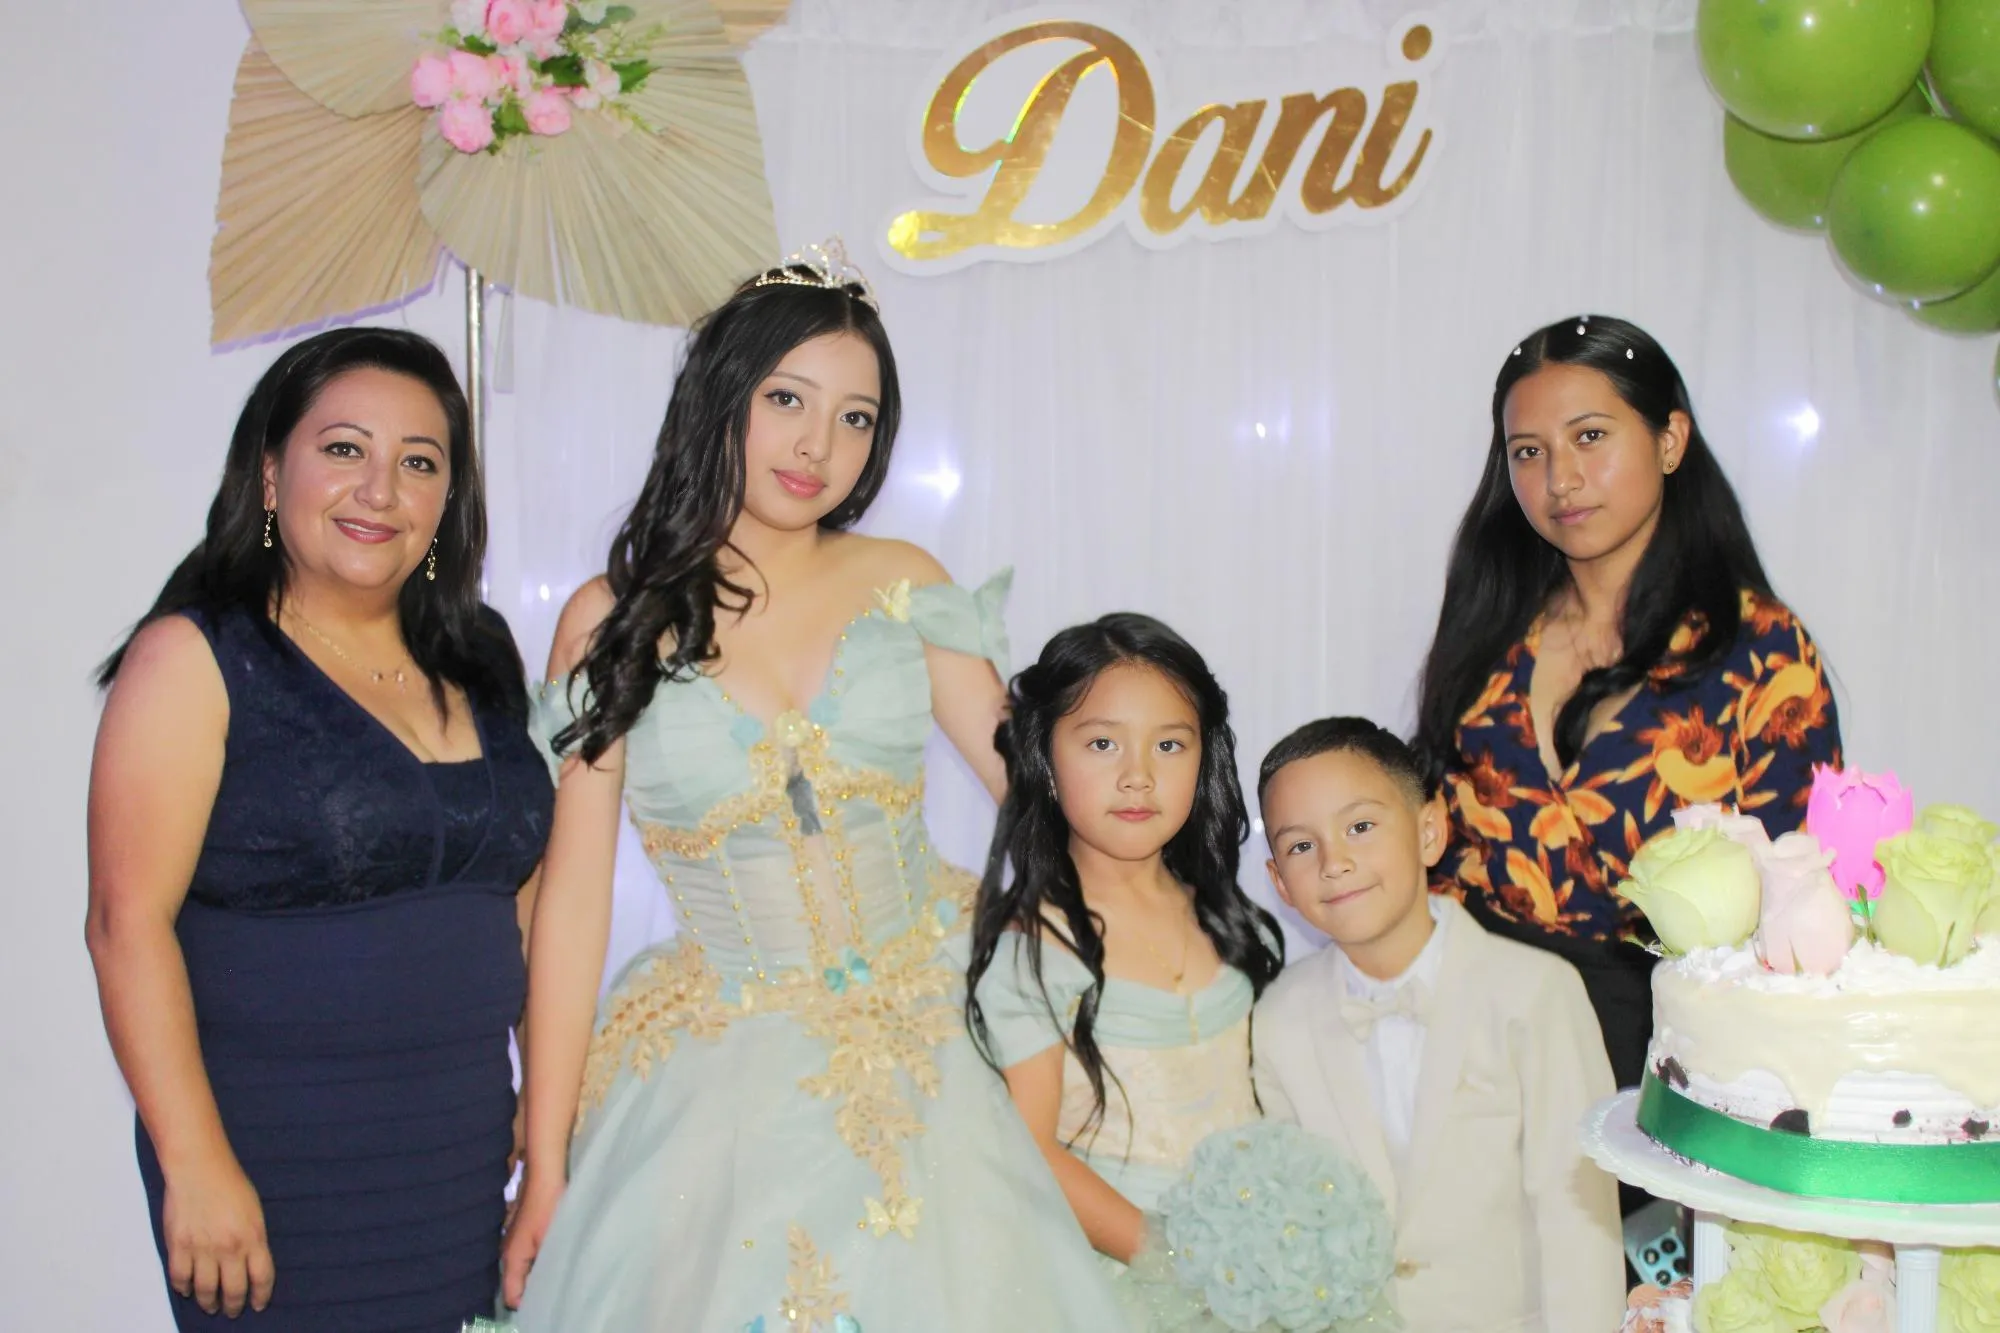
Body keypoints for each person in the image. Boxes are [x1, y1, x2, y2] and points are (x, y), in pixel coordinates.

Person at [500, 243, 1129, 1332]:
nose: (817, 445)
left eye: (855, 417)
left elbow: (1038, 793)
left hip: (933, 1029)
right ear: (720, 398)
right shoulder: (613, 619)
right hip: (715, 1065)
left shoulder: (905, 582)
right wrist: (544, 1161)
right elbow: (572, 903)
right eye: (787, 399)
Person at [86, 327, 552, 1331]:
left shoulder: (481, 654)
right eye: (344, 449)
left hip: (459, 1154)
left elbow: (520, 900)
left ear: (448, 498)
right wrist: (194, 1163)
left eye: (418, 463)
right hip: (273, 1165)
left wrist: (543, 1108)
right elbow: (126, 925)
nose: (379, 490)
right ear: (269, 472)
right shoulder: (196, 657)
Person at [1412, 315, 1842, 1115]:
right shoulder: (1491, 624)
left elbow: (1802, 893)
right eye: (1528, 452)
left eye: (1590, 437)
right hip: (1482, 1049)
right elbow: (1432, 839)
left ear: (1670, 440)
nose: (1560, 479)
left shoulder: (1760, 653)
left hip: (1673, 1060)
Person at [1250, 717, 1624, 1333]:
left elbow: (1579, 1221)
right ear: (1279, 884)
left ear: (1429, 831)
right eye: (1300, 846)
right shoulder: (1279, 1019)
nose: (1334, 862)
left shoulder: (1535, 992)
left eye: (1360, 827)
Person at [964, 613, 1284, 1266]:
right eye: (1103, 743)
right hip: (1123, 1269)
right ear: (1046, 761)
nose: (1138, 775)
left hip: (1254, 1254)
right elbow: (1030, 1151)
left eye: (1169, 745)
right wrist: (1179, 1264)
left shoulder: (1229, 918)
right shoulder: (1036, 949)